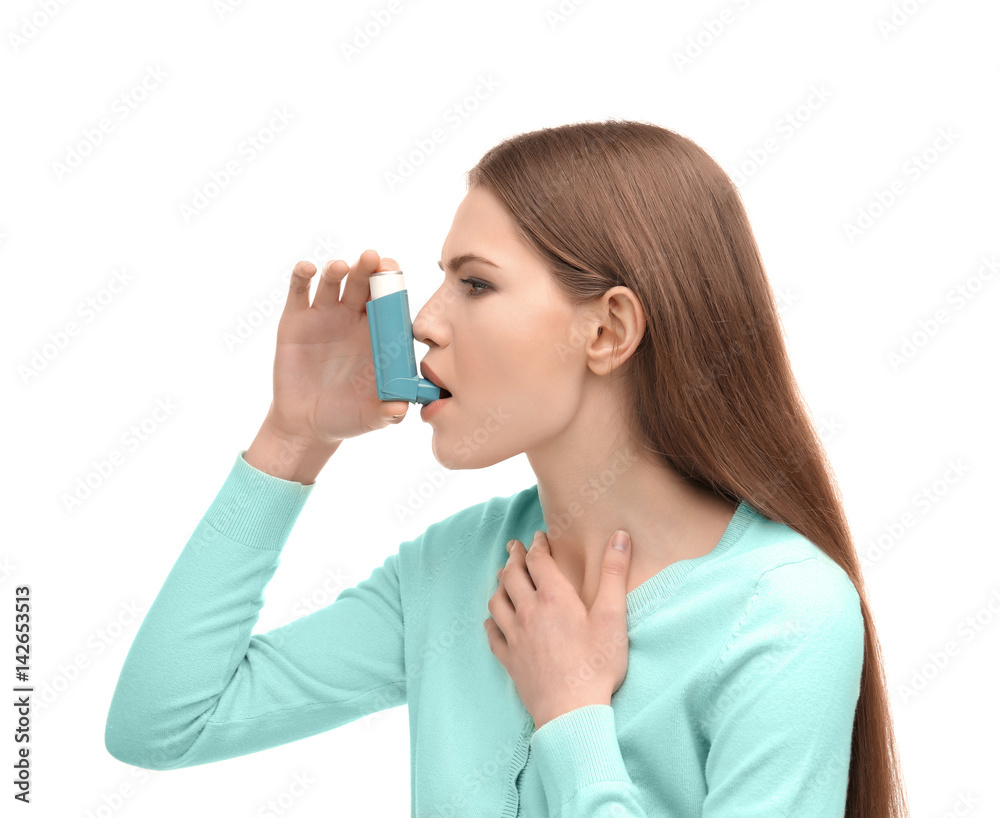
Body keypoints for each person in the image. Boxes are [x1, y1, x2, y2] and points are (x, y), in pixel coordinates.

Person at [104, 120, 909, 817]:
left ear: (608, 331)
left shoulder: (783, 613)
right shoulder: (452, 569)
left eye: (475, 283)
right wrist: (292, 437)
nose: (423, 322)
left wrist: (572, 716)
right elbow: (163, 724)